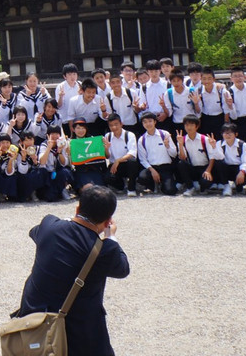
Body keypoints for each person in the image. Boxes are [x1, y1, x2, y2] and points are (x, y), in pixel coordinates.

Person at [16, 185, 129, 356]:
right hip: (78, 332)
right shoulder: (104, 251)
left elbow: (35, 232)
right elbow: (123, 269)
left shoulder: (49, 226)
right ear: (107, 222)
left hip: (33, 321)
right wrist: (110, 236)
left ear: (77, 208)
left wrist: (71, 220)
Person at [136, 112, 178, 195]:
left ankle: (162, 185)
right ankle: (152, 185)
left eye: (150, 121)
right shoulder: (142, 139)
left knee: (170, 191)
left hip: (165, 167)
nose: (148, 124)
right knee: (142, 178)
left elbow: (174, 154)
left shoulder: (164, 134)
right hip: (151, 167)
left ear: (155, 122)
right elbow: (142, 159)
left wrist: (168, 146)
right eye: (145, 122)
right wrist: (152, 170)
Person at [175, 115, 214, 195]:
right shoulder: (183, 139)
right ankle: (190, 187)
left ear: (197, 126)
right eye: (186, 125)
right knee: (181, 164)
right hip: (192, 168)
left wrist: (208, 171)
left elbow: (212, 157)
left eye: (192, 125)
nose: (189, 127)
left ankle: (202, 186)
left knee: (205, 183)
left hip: (204, 167)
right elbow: (182, 158)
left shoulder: (205, 139)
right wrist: (180, 145)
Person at [103, 114, 140, 196]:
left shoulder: (129, 135)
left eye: (116, 124)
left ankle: (131, 188)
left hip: (128, 164)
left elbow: (132, 153)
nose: (114, 127)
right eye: (111, 125)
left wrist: (118, 160)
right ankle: (122, 186)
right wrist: (106, 148)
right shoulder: (107, 136)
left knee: (132, 162)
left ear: (121, 124)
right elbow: (107, 156)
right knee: (106, 178)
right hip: (115, 166)